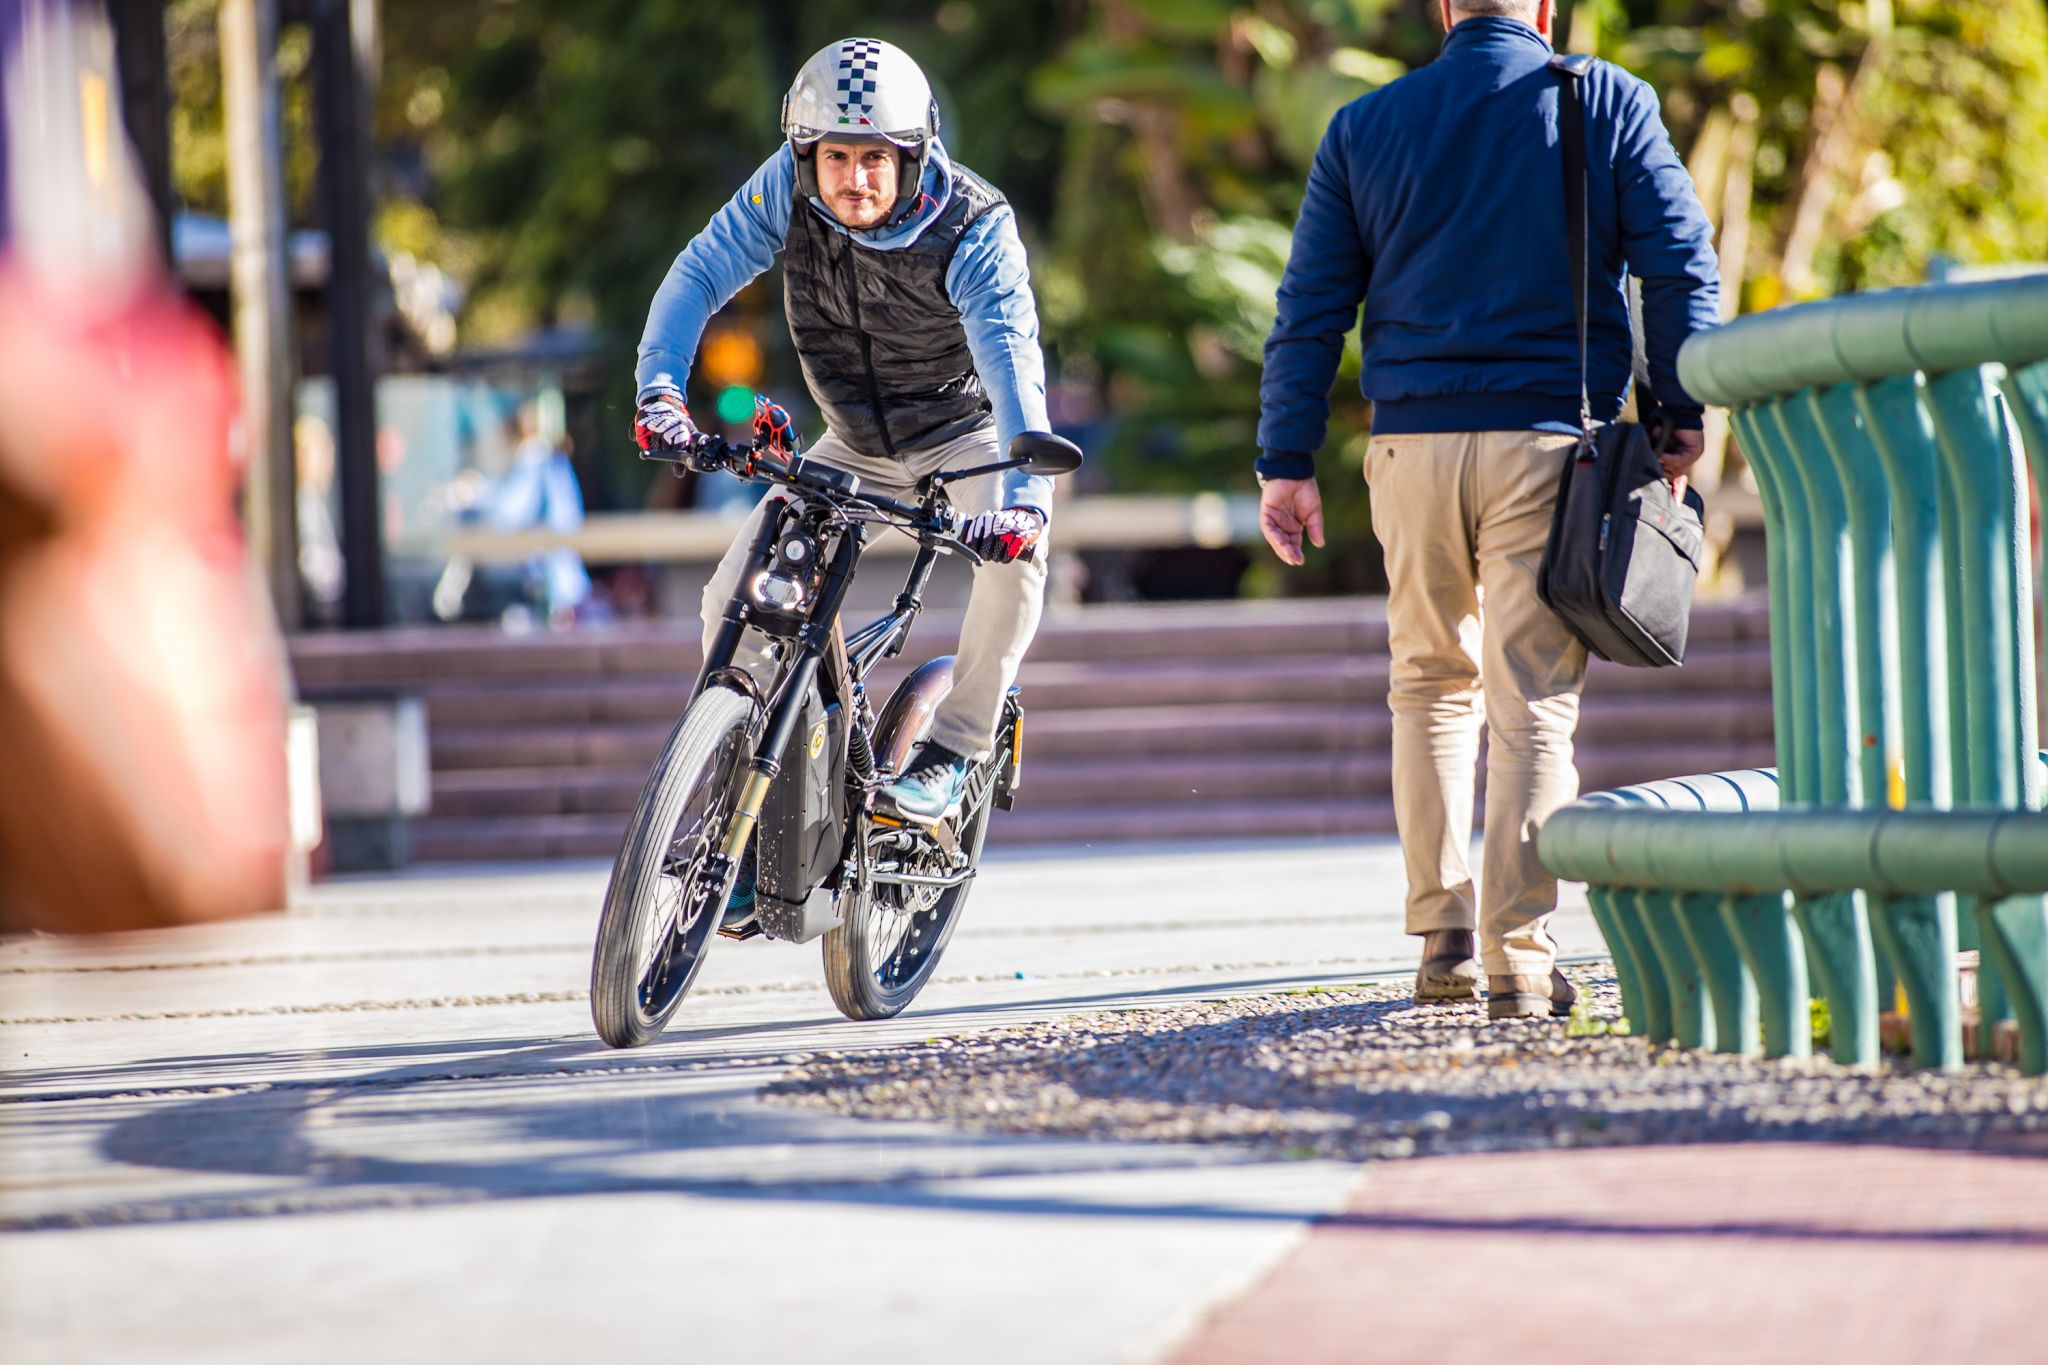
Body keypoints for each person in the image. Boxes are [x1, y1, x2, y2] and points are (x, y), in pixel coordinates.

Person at [1254, 0, 1719, 1018]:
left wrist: (1283, 458)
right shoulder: (1603, 100)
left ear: (1442, 10)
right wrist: (1675, 410)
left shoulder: (1365, 124)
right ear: (1544, 9)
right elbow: (1677, 261)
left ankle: (1442, 938)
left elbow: (1309, 307)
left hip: (1407, 445)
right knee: (1530, 700)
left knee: (1424, 684)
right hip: (1546, 447)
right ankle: (1519, 956)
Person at [635, 36, 1056, 825]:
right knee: (732, 595)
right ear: (806, 156)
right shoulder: (788, 191)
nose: (854, 179)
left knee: (1021, 560)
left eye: (874, 158)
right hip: (853, 444)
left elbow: (1012, 362)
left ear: (913, 155)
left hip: (965, 438)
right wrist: (660, 394)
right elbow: (697, 274)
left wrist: (1024, 499)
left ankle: (956, 749)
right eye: (836, 157)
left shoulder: (974, 224)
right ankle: (752, 793)